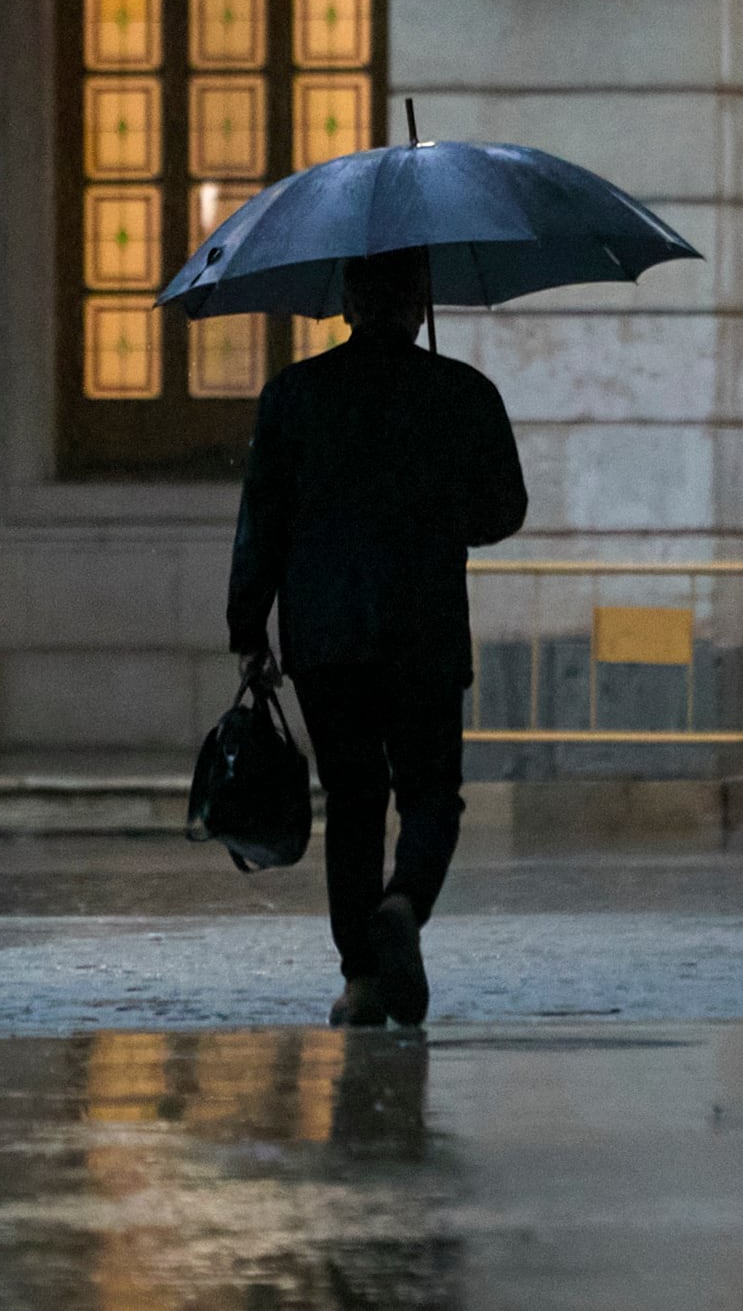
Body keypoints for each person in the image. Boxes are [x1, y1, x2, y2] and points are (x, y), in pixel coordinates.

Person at [226, 248, 528, 1027]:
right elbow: (505, 511)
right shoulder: (463, 393)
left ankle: (361, 978)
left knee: (354, 802)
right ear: (420, 304)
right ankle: (404, 901)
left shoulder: (292, 396)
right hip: (423, 628)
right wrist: (436, 517)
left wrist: (247, 625)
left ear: (350, 304)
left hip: (325, 636)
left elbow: (262, 520)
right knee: (432, 792)